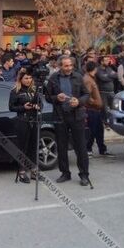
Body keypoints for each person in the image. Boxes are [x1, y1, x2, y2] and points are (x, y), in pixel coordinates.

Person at [45, 56, 91, 186]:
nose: (69, 68)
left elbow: (86, 94)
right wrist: (56, 98)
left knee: (80, 146)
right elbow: (47, 97)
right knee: (62, 146)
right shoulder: (54, 78)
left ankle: (84, 175)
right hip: (60, 116)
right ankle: (65, 173)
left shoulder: (78, 76)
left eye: (70, 65)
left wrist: (79, 101)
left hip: (76, 116)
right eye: (66, 66)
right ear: (60, 66)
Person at [9, 70, 41, 184]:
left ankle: (33, 170)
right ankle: (22, 171)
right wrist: (23, 107)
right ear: (21, 79)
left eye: (30, 78)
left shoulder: (34, 90)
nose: (28, 80)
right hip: (22, 121)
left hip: (34, 120)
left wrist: (37, 106)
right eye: (26, 78)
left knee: (33, 146)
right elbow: (11, 107)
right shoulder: (15, 91)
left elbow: (41, 103)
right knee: (23, 147)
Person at [84, 61, 113, 157]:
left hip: (96, 110)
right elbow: (87, 95)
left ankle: (102, 149)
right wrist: (95, 103)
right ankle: (88, 149)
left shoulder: (92, 78)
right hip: (92, 109)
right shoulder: (88, 79)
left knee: (99, 130)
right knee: (92, 131)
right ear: (95, 69)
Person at [96, 55, 118, 124]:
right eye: (106, 60)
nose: (108, 61)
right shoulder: (98, 69)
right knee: (104, 109)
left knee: (113, 107)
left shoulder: (109, 68)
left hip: (111, 92)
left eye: (108, 60)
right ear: (101, 62)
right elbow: (103, 78)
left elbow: (116, 75)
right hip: (103, 92)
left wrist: (109, 75)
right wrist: (111, 76)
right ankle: (105, 122)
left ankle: (112, 121)